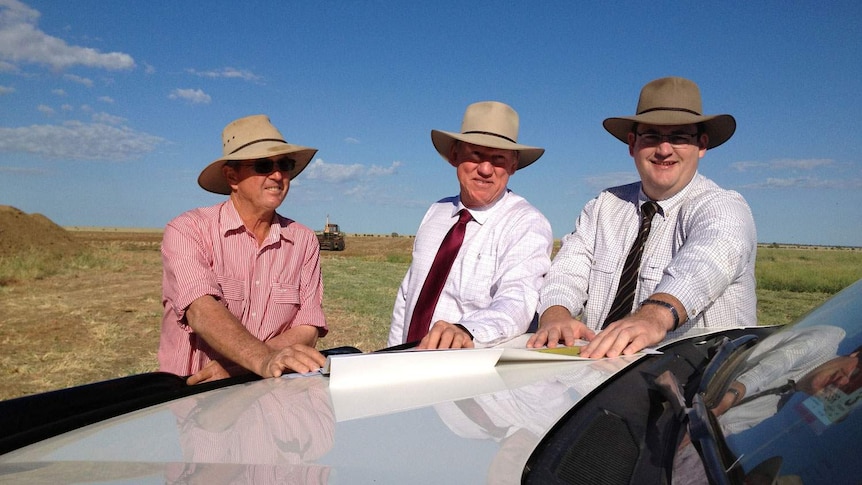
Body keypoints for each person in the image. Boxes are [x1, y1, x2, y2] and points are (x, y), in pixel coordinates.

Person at [530, 77, 757, 358]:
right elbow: (569, 269)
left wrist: (654, 317)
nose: (664, 149)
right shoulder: (604, 206)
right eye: (651, 136)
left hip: (701, 378)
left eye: (679, 137)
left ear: (701, 145)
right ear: (632, 144)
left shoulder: (723, 206)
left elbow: (705, 262)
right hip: (601, 370)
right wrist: (555, 315)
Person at [159, 114, 328, 383]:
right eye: (263, 165)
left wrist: (246, 366)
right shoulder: (188, 230)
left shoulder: (304, 240)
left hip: (271, 392)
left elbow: (309, 325)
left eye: (284, 165)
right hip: (192, 396)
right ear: (232, 177)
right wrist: (261, 359)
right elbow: (201, 310)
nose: (277, 175)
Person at [389, 101, 553, 350]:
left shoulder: (526, 223)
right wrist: (390, 356)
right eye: (476, 154)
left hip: (469, 370)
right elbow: (408, 296)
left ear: (513, 165)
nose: (485, 169)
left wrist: (466, 331)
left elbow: (518, 299)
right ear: (455, 156)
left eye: (498, 159)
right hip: (406, 363)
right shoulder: (437, 212)